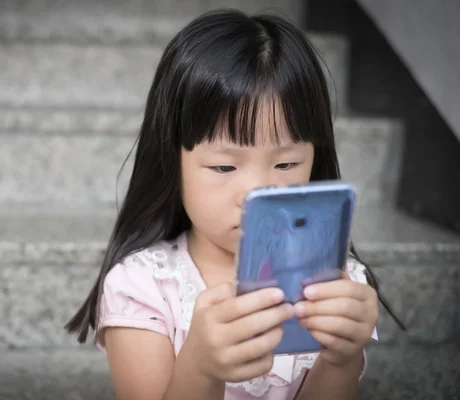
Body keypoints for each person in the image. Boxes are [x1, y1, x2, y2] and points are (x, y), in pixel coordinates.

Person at [66, 9, 399, 399]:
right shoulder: (143, 285)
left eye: (287, 163)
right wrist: (200, 367)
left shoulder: (336, 283)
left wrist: (341, 357)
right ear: (172, 162)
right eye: (224, 165)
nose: (258, 192)